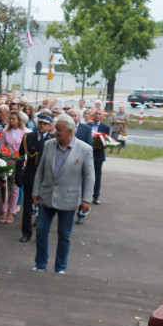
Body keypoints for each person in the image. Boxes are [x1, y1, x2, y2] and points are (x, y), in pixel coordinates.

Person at [32, 113, 94, 274]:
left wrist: (87, 199)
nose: (56, 133)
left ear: (69, 131)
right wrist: (35, 191)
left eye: (59, 130)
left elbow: (89, 176)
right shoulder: (49, 145)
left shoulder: (85, 149)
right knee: (41, 230)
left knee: (64, 235)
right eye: (56, 130)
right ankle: (40, 264)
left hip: (69, 197)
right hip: (47, 195)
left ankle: (60, 267)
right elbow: (40, 170)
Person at [18, 113, 54, 243]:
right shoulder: (28, 137)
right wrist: (18, 175)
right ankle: (26, 232)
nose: (42, 126)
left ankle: (42, 233)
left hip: (46, 178)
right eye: (40, 123)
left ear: (50, 126)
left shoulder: (53, 139)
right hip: (30, 176)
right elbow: (20, 157)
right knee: (27, 208)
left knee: (44, 208)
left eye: (45, 124)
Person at [0, 111, 28, 224]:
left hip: (19, 163)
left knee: (16, 188)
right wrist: (3, 157)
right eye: (10, 118)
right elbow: (1, 146)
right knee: (6, 187)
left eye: (14, 118)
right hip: (7, 163)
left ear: (19, 120)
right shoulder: (5, 132)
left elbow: (26, 149)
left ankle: (12, 212)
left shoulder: (25, 133)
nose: (11, 120)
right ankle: (4, 210)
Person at [85, 108, 109, 207]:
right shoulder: (87, 126)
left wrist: (99, 145)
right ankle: (85, 196)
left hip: (98, 155)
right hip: (88, 154)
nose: (97, 115)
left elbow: (107, 141)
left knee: (97, 176)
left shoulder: (105, 127)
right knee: (86, 175)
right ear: (93, 115)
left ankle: (96, 196)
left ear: (102, 116)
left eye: (99, 114)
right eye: (96, 114)